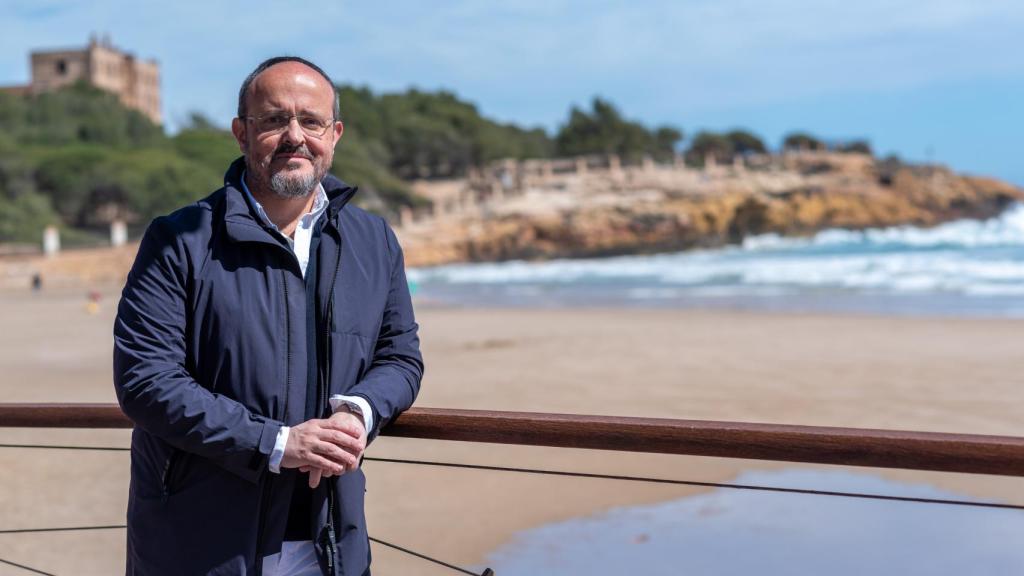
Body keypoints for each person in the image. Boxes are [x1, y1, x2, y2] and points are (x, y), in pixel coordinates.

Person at [113, 56, 423, 575]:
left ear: (335, 133)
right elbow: (146, 380)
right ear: (241, 133)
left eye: (312, 121)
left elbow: (401, 357)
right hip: (201, 543)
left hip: (331, 542)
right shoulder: (180, 238)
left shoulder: (374, 242)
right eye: (274, 120)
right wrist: (276, 443)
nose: (295, 136)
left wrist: (360, 412)